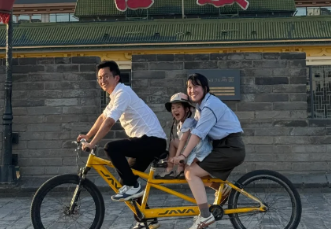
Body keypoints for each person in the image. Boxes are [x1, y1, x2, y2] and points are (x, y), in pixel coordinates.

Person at [78, 60, 166, 229]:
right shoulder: (114, 96)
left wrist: (92, 143)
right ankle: (146, 219)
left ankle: (134, 187)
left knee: (111, 148)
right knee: (124, 181)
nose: (102, 80)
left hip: (152, 141)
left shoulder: (123, 93)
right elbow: (103, 117)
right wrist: (88, 135)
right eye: (99, 78)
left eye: (106, 76)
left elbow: (109, 122)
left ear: (116, 77)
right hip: (145, 142)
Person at [169, 73, 246, 229]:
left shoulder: (210, 106)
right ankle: (222, 189)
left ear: (205, 88)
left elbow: (198, 134)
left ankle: (205, 216)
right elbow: (191, 135)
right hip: (221, 146)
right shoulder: (201, 107)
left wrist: (183, 155)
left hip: (230, 147)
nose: (192, 90)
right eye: (189, 87)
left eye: (196, 86)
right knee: (194, 170)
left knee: (191, 173)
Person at [156, 93, 212, 179]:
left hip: (198, 150)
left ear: (186, 109)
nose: (175, 110)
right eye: (173, 108)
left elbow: (183, 140)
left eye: (178, 107)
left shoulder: (189, 121)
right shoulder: (181, 124)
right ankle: (180, 169)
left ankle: (170, 168)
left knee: (173, 142)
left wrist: (177, 157)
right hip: (195, 150)